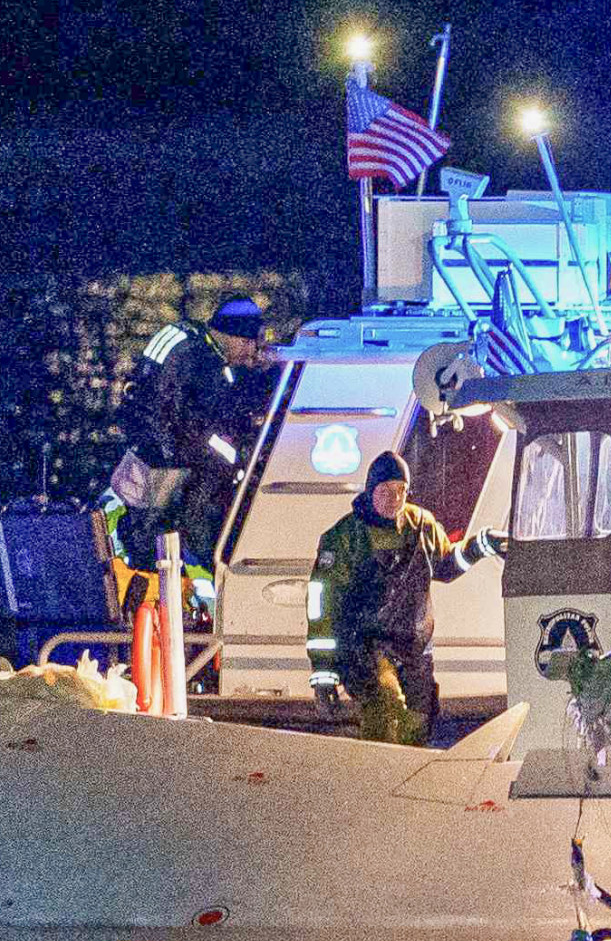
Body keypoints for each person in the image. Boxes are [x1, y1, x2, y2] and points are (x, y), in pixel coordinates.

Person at [307, 450, 491, 746]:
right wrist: (323, 672)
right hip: (365, 648)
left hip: (414, 650)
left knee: (421, 721)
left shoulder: (422, 526)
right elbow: (322, 606)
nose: (394, 498)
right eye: (386, 490)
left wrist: (479, 547)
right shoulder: (344, 537)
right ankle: (379, 781)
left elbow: (445, 566)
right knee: (386, 704)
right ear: (371, 491)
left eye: (401, 490)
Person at [116, 293, 279, 570]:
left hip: (165, 465)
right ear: (236, 337)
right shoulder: (195, 360)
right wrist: (234, 460)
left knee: (158, 541)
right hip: (164, 469)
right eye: (250, 344)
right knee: (157, 544)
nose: (251, 354)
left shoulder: (205, 355)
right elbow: (195, 426)